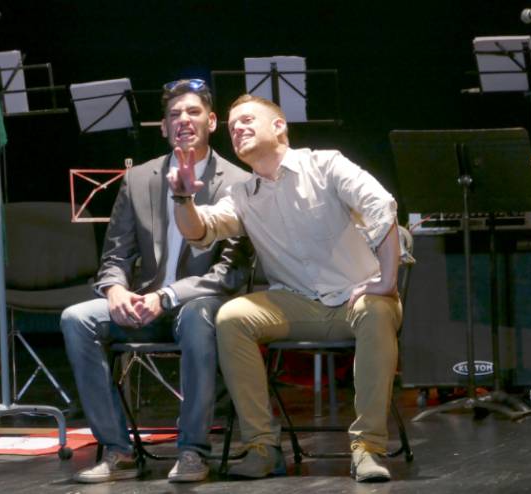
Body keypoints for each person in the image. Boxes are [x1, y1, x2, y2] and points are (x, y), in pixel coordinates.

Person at [168, 94, 404, 482]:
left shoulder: (325, 165)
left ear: (279, 126)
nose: (237, 129)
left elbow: (381, 204)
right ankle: (262, 447)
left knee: (375, 311)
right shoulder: (242, 195)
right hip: (296, 304)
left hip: (355, 298)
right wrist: (183, 198)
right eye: (232, 126)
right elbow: (200, 230)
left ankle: (368, 447)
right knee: (232, 317)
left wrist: (387, 279)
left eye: (247, 120)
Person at [61, 79, 252, 484]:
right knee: (76, 318)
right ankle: (118, 450)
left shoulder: (238, 181)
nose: (183, 120)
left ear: (212, 122)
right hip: (142, 303)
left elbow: (230, 272)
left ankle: (193, 450)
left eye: (193, 112)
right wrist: (115, 289)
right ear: (163, 127)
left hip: (197, 304)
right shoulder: (138, 179)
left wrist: (168, 296)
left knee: (199, 316)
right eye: (174, 114)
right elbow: (115, 254)